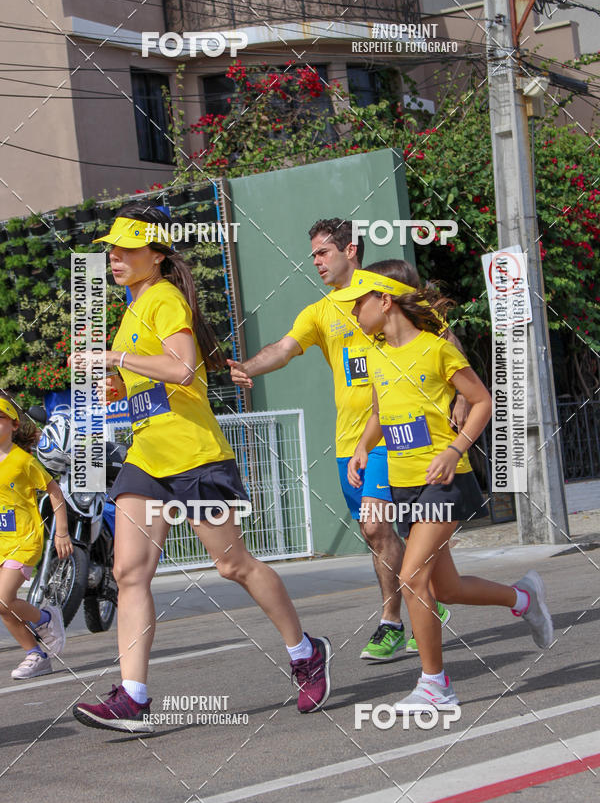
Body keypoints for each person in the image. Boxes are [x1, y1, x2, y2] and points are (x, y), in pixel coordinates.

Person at [71, 203, 331, 733]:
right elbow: (152, 382)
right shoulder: (133, 307)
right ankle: (133, 697)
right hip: (147, 457)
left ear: (157, 255)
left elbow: (184, 368)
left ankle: (305, 652)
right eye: (111, 249)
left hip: (194, 457)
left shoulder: (164, 299)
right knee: (128, 572)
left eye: (127, 249)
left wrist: (114, 360)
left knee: (233, 565)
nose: (115, 257)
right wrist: (116, 388)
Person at [229, 219, 459, 661]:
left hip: (398, 434)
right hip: (351, 442)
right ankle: (426, 602)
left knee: (378, 524)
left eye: (323, 252)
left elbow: (444, 337)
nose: (315, 262)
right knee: (378, 536)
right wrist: (248, 367)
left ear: (350, 250)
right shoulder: (319, 312)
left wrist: (462, 400)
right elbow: (284, 348)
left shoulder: (385, 290)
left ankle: (393, 620)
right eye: (313, 254)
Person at [342, 261, 553, 709]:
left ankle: (435, 685)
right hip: (403, 485)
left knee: (412, 576)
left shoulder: (436, 350)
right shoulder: (375, 354)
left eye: (358, 303)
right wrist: (363, 446)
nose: (353, 312)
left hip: (444, 479)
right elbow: (381, 412)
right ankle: (522, 597)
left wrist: (455, 450)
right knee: (446, 588)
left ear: (385, 301)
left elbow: (483, 401)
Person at [0, 391, 71, 679]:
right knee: (4, 607)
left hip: (24, 540)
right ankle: (36, 655)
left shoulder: (23, 461)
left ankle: (45, 618)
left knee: (3, 599)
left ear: (14, 425)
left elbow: (54, 491)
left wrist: (62, 532)